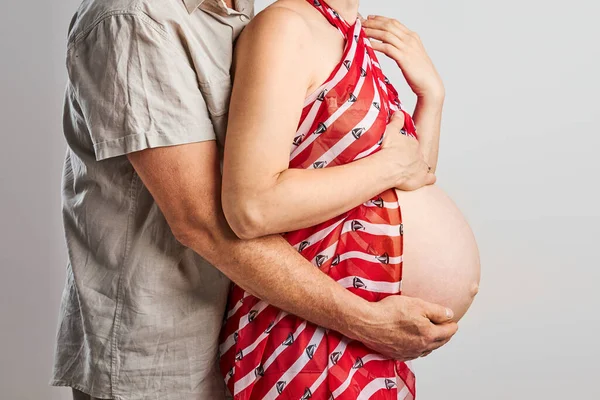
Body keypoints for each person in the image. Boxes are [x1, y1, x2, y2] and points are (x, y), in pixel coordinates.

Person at [51, 0, 458, 399]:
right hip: (159, 347)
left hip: (258, 327)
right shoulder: (133, 18)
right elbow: (203, 221)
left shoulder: (241, 9)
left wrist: (432, 98)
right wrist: (363, 320)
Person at [218, 0, 481, 398]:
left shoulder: (349, 33)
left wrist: (431, 97)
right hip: (306, 339)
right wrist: (391, 167)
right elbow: (251, 206)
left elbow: (412, 175)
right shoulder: (286, 27)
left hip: (367, 341)